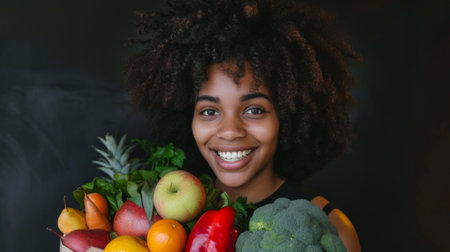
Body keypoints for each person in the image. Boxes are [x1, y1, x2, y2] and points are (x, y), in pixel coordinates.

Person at [124, 0, 361, 250]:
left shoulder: (329, 229)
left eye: (254, 110)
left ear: (286, 116)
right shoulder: (159, 220)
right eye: (209, 111)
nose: (229, 131)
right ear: (187, 119)